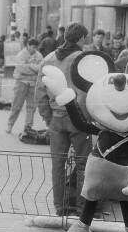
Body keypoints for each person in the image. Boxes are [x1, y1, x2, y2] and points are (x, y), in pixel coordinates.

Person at [36, 22, 92, 216]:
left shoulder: (48, 59)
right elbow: (87, 93)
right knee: (83, 163)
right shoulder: (84, 59)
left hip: (56, 118)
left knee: (57, 164)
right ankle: (81, 208)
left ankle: (59, 207)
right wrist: (87, 118)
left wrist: (48, 118)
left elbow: (40, 93)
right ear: (81, 38)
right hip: (79, 119)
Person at [6, 38, 43, 133]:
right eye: (32, 47)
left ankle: (28, 127)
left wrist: (29, 65)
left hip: (33, 84)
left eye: (35, 47)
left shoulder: (39, 55)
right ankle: (10, 125)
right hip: (21, 82)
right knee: (16, 105)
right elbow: (21, 69)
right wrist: (33, 68)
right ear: (28, 45)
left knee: (31, 107)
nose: (34, 49)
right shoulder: (21, 55)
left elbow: (41, 69)